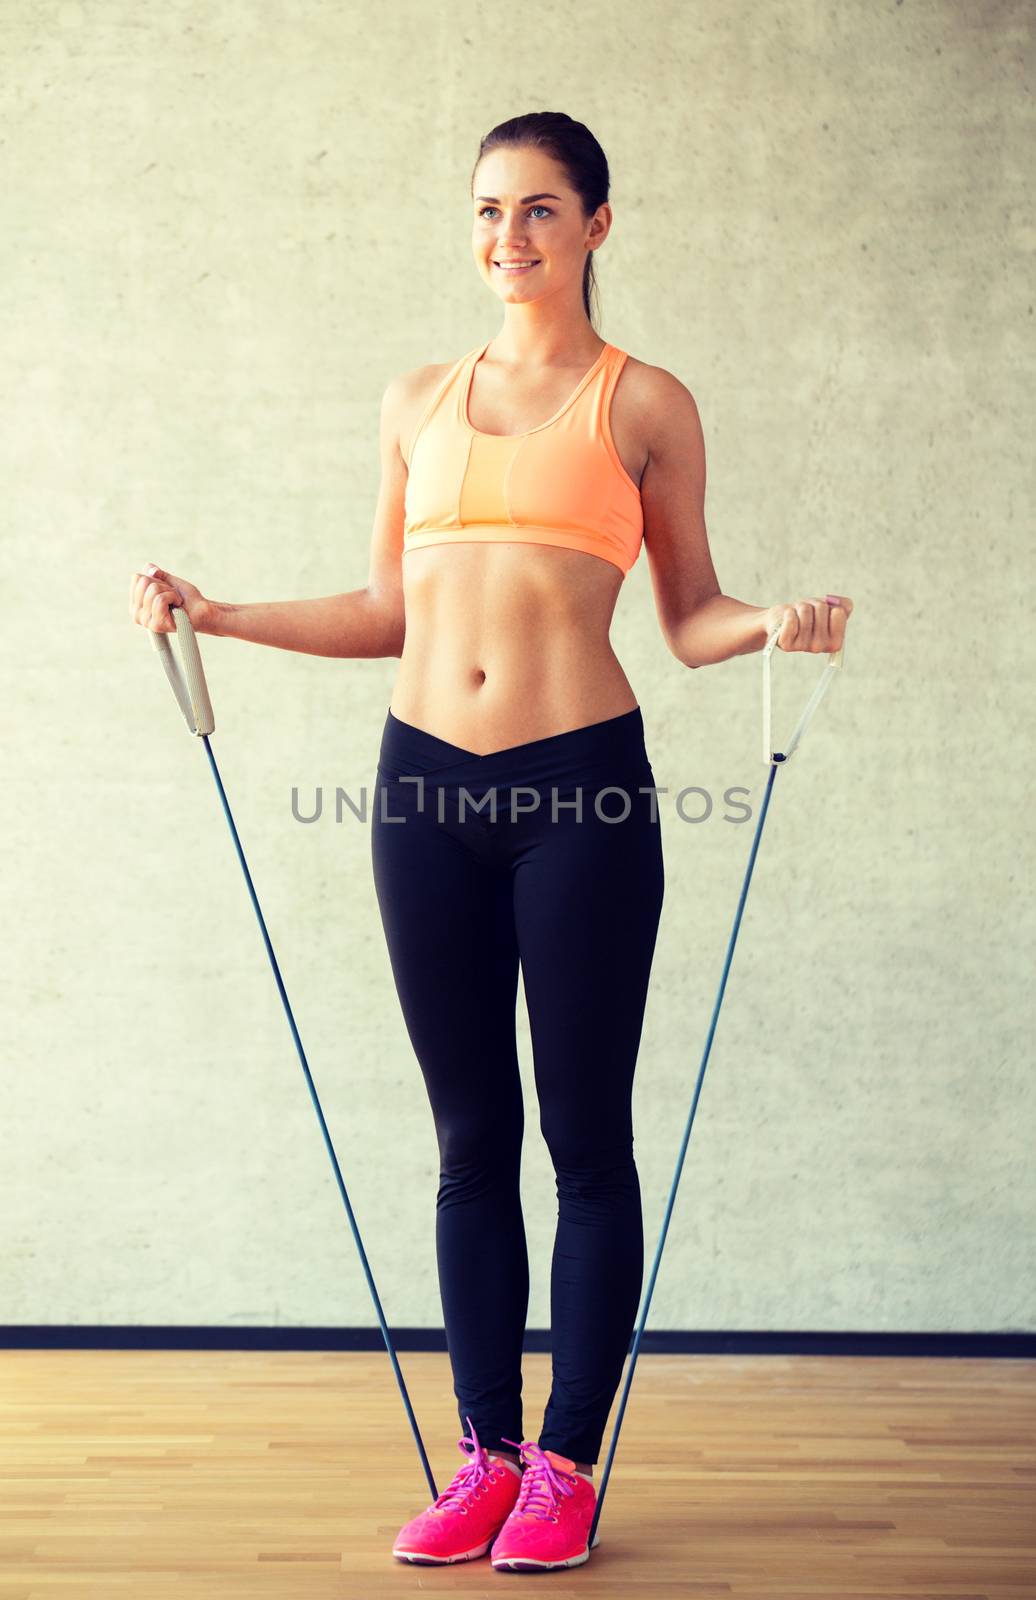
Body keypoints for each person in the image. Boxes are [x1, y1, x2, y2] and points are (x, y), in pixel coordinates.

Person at [128, 111, 853, 1573]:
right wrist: (219, 613)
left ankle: (568, 1470)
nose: (506, 238)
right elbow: (386, 611)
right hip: (422, 798)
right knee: (470, 1145)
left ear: (596, 224)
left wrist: (776, 624)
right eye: (485, 211)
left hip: (581, 790)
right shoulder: (417, 401)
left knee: (586, 1142)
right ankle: (486, 1457)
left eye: (537, 210)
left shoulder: (645, 405)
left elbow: (692, 619)